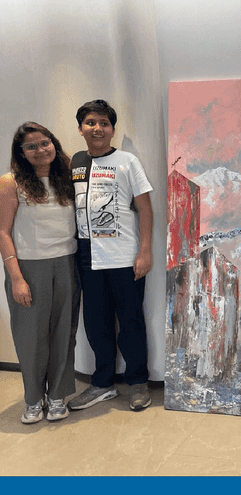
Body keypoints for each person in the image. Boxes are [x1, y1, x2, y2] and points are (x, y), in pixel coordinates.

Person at [66, 99, 154, 412]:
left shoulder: (127, 161)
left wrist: (144, 252)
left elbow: (145, 208)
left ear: (112, 129)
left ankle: (138, 382)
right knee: (96, 324)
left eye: (104, 123)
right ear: (81, 128)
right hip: (88, 258)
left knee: (131, 323)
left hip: (124, 258)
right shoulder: (75, 162)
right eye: (91, 122)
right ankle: (102, 384)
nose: (98, 128)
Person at [0, 123, 79, 424]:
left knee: (63, 332)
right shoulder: (11, 182)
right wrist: (17, 277)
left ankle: (57, 395)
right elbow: (3, 232)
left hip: (67, 262)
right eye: (30, 147)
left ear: (54, 144)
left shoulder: (66, 175)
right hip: (29, 268)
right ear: (20, 153)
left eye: (44, 143)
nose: (39, 150)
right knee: (30, 336)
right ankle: (33, 398)